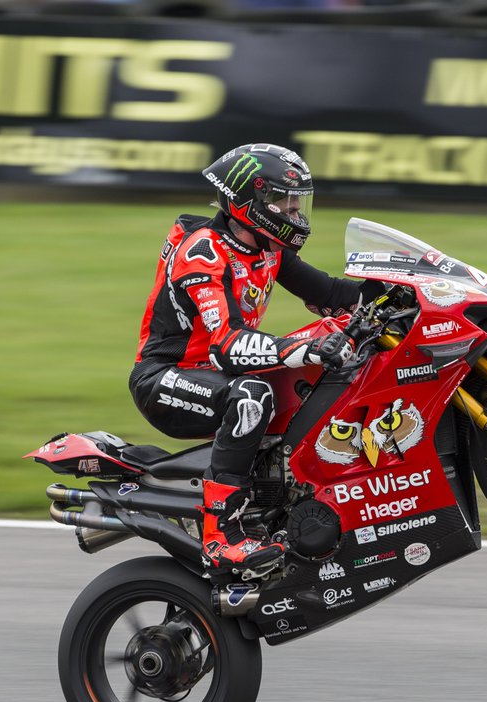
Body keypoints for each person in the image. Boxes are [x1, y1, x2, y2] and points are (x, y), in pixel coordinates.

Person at [129, 143, 381, 576]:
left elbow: (330, 294)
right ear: (251, 202)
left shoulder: (266, 247)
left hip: (215, 372)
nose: (295, 212)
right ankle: (219, 537)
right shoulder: (203, 255)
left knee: (311, 378)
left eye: (298, 201)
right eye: (284, 200)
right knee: (253, 395)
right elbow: (227, 345)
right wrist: (304, 348)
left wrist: (406, 293)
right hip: (166, 378)